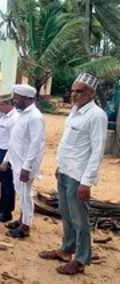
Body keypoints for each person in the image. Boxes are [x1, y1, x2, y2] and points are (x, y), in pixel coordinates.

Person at [39, 73, 108, 275]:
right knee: (67, 215)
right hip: (65, 172)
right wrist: (60, 167)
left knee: (80, 219)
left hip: (79, 177)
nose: (74, 94)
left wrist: (86, 183)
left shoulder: (97, 116)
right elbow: (69, 144)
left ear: (91, 93)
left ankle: (81, 259)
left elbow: (97, 151)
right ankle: (66, 249)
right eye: (73, 90)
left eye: (80, 91)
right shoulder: (75, 111)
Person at [0, 84, 45, 238]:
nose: (14, 100)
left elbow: (36, 144)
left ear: (27, 99)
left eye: (17, 98)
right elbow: (14, 140)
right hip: (16, 162)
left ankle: (25, 226)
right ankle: (21, 219)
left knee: (26, 195)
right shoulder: (22, 114)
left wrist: (27, 167)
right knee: (21, 193)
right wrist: (7, 160)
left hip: (26, 165)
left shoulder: (35, 117)